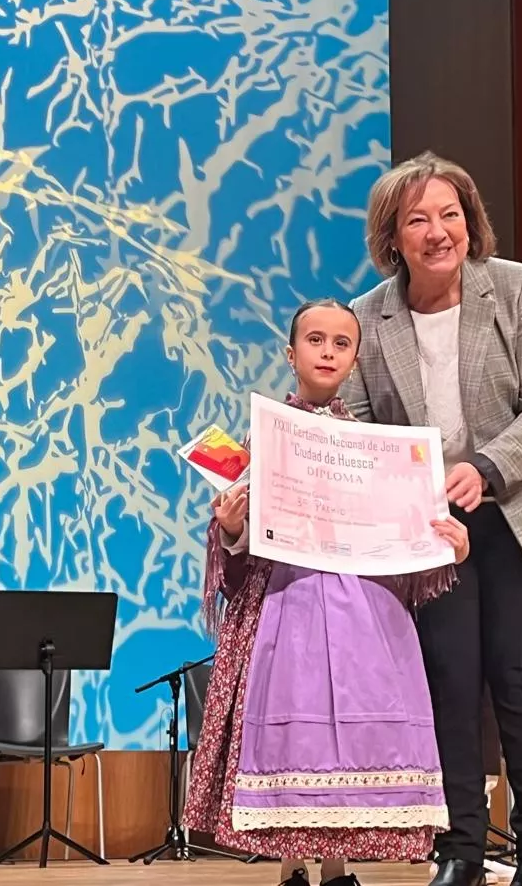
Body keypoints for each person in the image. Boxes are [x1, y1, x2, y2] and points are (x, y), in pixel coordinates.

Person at [341, 152, 522, 886]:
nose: (437, 231)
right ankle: (460, 850)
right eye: (417, 219)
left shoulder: (516, 288)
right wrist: (419, 494)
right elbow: (364, 431)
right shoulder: (367, 316)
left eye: (449, 214)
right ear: (392, 236)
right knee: (450, 679)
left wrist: (484, 468)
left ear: (470, 220)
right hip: (431, 528)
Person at [183, 299, 469, 886]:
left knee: (349, 739)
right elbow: (236, 551)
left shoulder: (377, 450)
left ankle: (337, 869)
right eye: (316, 340)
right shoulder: (259, 446)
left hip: (362, 615)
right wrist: (234, 528)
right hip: (285, 605)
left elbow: (405, 544)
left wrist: (447, 545)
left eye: (341, 343)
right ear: (292, 354)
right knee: (299, 731)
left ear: (355, 359)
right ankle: (291, 865)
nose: (328, 352)